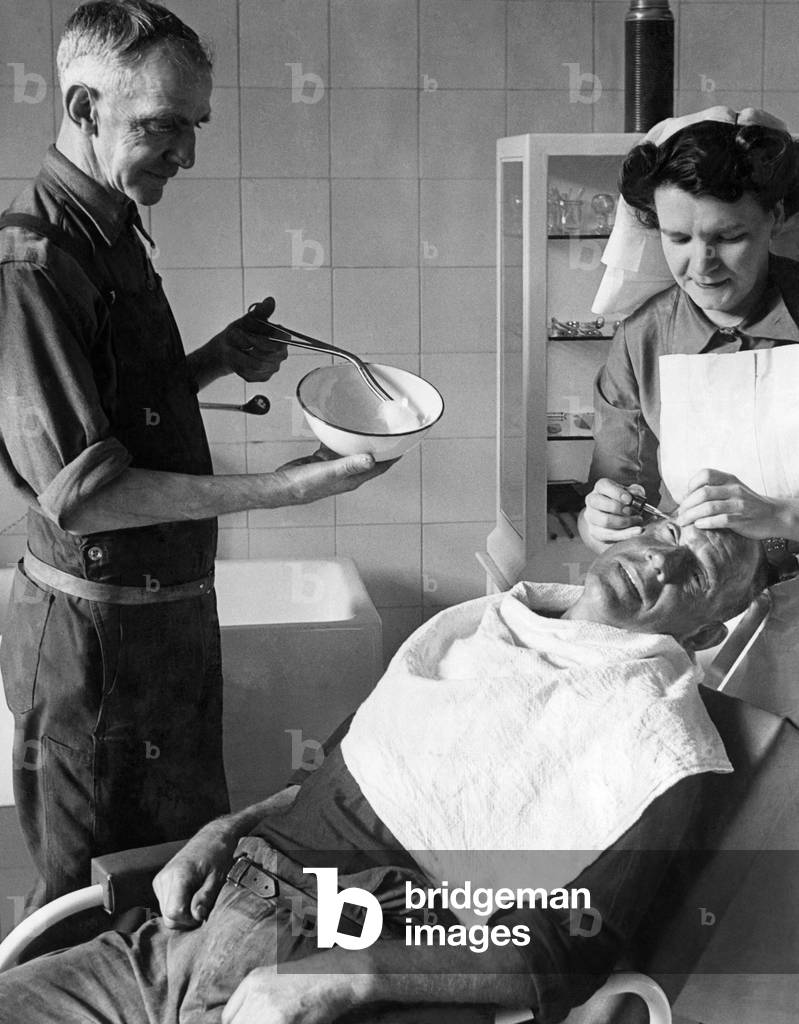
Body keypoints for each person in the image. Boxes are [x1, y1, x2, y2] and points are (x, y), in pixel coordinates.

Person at [0, 523, 769, 1024]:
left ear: (701, 631)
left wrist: (348, 976)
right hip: (181, 936)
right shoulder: (480, 626)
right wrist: (220, 828)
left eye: (693, 575)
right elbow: (340, 766)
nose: (659, 558)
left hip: (331, 966)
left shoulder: (659, 744)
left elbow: (564, 951)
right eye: (666, 530)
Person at [0, 0, 390, 917]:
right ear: (86, 107)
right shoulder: (31, 263)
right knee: (92, 899)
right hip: (98, 650)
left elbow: (110, 416)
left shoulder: (110, 232)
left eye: (193, 127)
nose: (186, 153)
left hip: (164, 623)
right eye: (163, 126)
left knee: (178, 877)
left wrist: (213, 359)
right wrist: (286, 487)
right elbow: (84, 499)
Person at [580, 106, 799, 719]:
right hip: (711, 633)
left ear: (775, 219)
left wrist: (782, 514)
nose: (701, 266)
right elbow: (617, 498)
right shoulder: (643, 341)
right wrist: (600, 519)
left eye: (729, 237)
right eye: (678, 239)